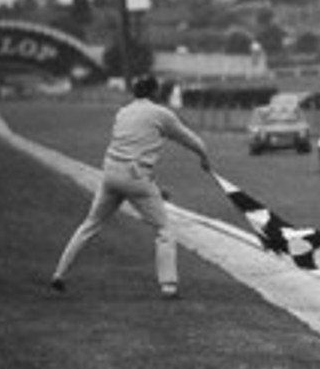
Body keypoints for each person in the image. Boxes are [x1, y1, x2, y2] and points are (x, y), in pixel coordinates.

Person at [50, 73, 211, 299]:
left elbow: (132, 146)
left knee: (90, 224)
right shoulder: (161, 114)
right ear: (155, 92)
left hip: (110, 174)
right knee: (164, 231)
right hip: (136, 177)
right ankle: (169, 286)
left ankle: (59, 273)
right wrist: (204, 157)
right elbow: (190, 140)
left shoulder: (122, 112)